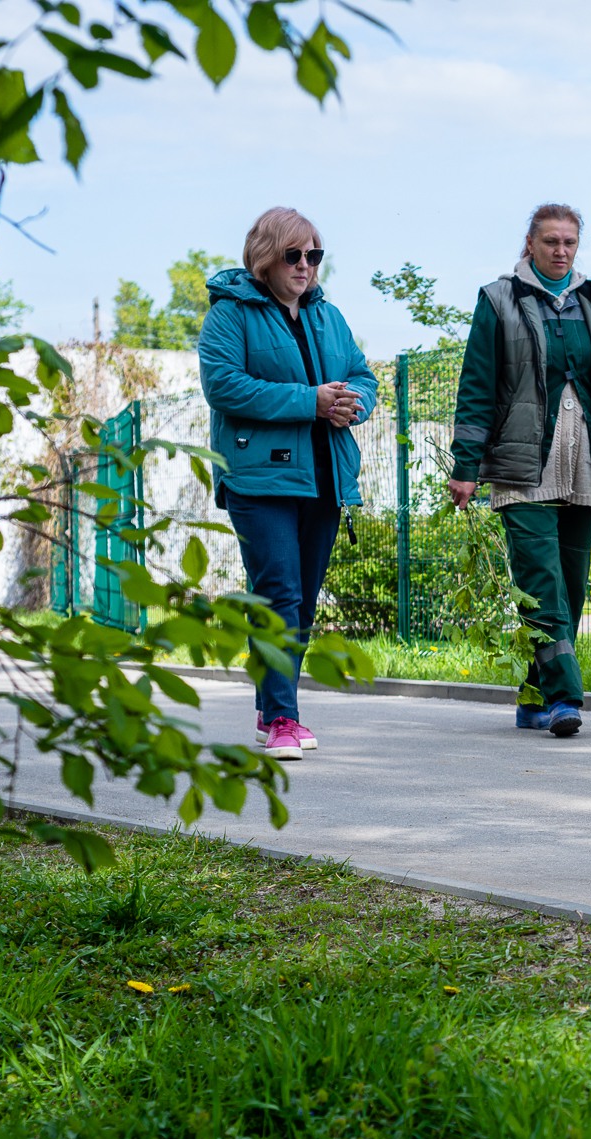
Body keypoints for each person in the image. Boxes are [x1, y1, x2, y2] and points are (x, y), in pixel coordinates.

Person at [449, 204, 591, 737]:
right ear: (530, 244)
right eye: (551, 242)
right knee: (541, 582)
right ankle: (566, 696)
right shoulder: (498, 300)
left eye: (569, 243)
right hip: (522, 466)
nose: (561, 251)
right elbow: (477, 387)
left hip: (586, 462)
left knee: (573, 586)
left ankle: (534, 694)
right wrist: (465, 466)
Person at [199, 206, 376, 762]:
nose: (306, 265)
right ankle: (281, 717)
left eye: (314, 255)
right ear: (265, 257)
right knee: (280, 595)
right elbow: (224, 386)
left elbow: (364, 376)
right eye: (294, 254)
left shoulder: (330, 317)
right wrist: (310, 402)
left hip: (324, 477)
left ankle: (269, 703)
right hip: (259, 479)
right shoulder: (230, 316)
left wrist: (355, 404)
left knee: (299, 603)